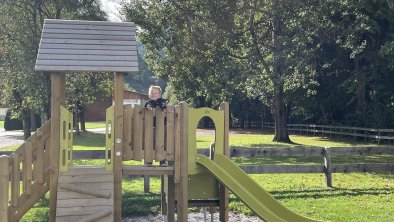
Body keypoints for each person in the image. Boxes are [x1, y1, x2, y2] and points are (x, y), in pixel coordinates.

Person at [144, 85, 167, 167]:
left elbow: (163, 105)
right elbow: (147, 104)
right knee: (149, 143)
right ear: (149, 94)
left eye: (156, 93)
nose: (153, 94)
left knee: (161, 144)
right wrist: (149, 107)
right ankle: (148, 161)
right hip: (151, 127)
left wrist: (164, 109)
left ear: (159, 94)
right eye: (152, 93)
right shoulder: (149, 102)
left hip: (161, 127)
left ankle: (162, 161)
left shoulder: (161, 101)